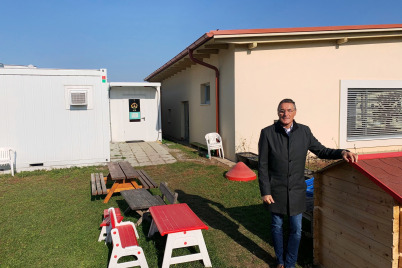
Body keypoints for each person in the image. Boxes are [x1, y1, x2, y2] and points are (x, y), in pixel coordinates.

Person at [258, 98, 358, 268]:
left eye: (289, 110)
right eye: (282, 110)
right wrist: (265, 191)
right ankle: (280, 260)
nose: (286, 114)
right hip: (276, 190)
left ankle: (289, 263)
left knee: (296, 230)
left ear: (295, 112)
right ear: (277, 113)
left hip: (297, 190)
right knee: (277, 226)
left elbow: (321, 150)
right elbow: (263, 165)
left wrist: (341, 152)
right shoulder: (267, 133)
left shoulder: (304, 132)